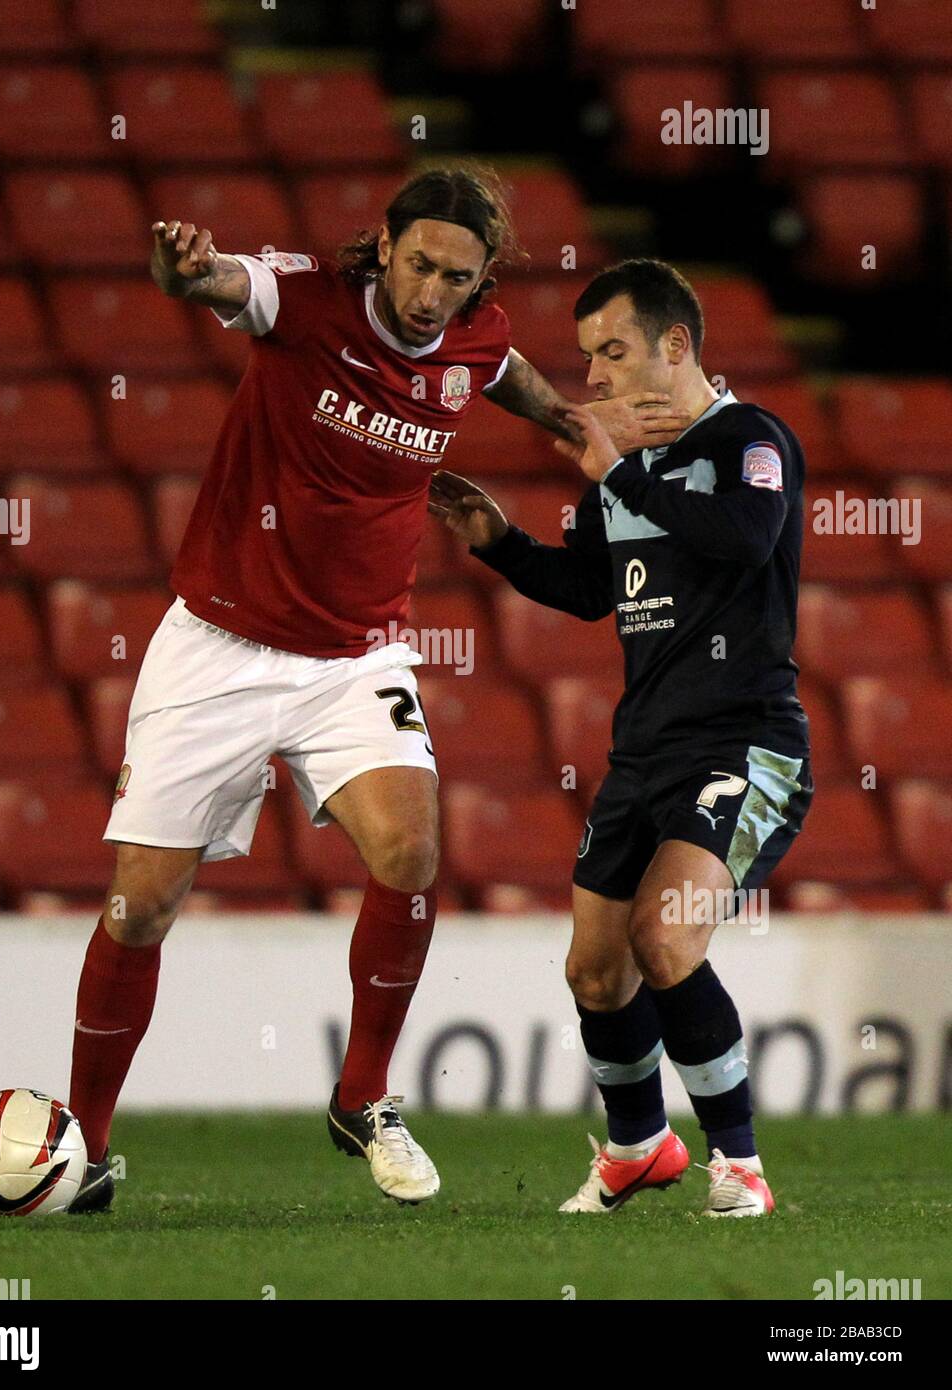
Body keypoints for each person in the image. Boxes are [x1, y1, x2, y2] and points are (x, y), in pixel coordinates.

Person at [66, 167, 627, 1212]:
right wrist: (182, 270)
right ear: (385, 244)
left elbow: (495, 365)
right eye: (417, 264)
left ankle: (360, 1093)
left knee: (412, 848)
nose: (430, 292)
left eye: (454, 277)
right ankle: (83, 1146)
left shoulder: (469, 332)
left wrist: (564, 419)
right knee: (139, 908)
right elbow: (224, 285)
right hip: (217, 646)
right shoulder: (308, 299)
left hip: (354, 657)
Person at [429, 258, 812, 1217]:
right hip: (644, 750)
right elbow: (595, 589)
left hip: (744, 743)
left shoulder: (748, 439)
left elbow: (748, 537)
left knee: (664, 937)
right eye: (587, 356)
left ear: (676, 346)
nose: (593, 376)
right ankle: (640, 1148)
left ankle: (743, 1167)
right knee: (595, 968)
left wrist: (626, 470)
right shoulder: (620, 472)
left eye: (613, 351)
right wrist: (500, 542)